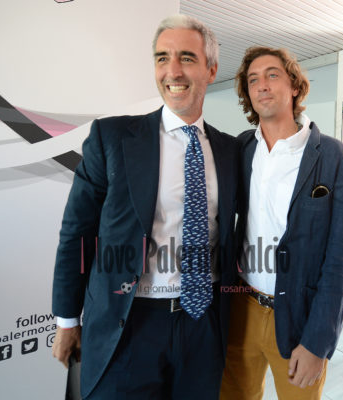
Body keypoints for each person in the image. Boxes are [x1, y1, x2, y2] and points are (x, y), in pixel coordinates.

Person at [51, 15, 238, 399]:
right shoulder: (112, 137)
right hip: (129, 324)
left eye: (187, 57)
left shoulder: (230, 150)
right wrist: (67, 319)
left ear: (211, 70)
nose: (173, 71)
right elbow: (77, 232)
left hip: (203, 327)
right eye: (162, 58)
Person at [220, 46, 343, 400]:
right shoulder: (242, 148)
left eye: (272, 75)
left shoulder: (333, 156)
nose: (262, 85)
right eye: (253, 80)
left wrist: (318, 342)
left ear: (295, 86)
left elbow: (340, 257)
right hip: (241, 310)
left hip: (300, 316)